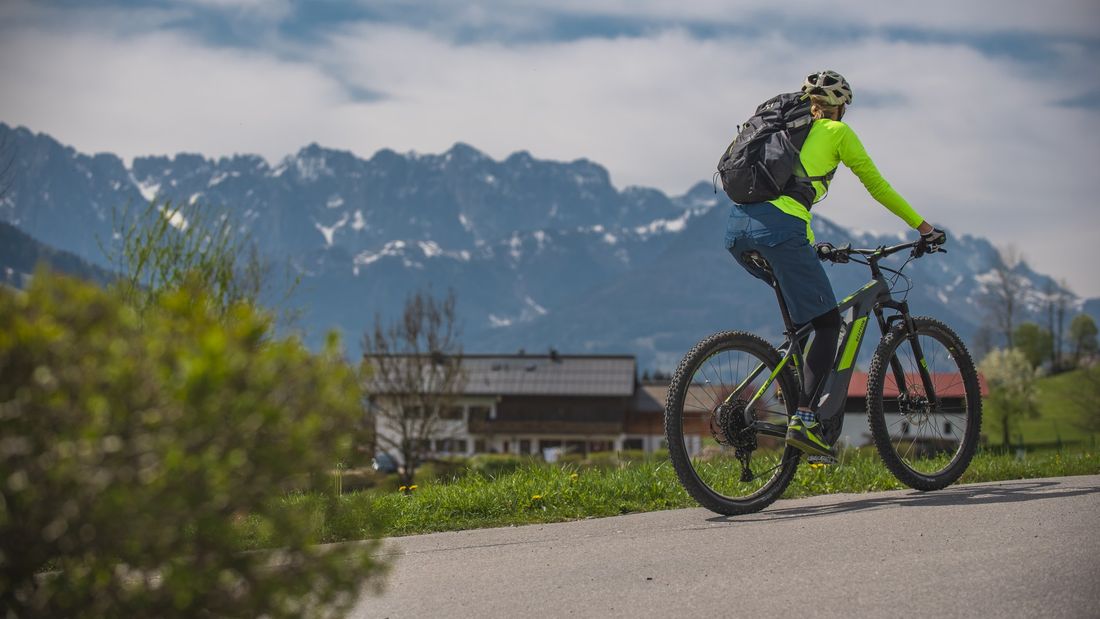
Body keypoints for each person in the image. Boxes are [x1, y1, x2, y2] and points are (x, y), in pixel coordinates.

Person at [723, 70, 945, 458]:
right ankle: (805, 418)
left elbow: (785, 199)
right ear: (840, 106)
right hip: (782, 232)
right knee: (827, 323)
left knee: (805, 322)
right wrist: (923, 228)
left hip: (739, 231)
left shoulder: (782, 134)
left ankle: (790, 393)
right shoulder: (837, 133)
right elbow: (877, 186)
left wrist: (811, 246)